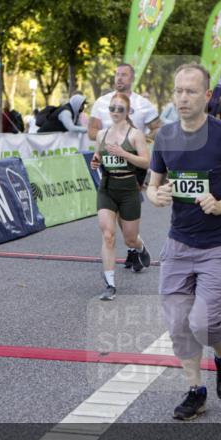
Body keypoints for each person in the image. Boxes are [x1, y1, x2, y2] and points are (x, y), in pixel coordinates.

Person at [146, 63, 221, 420]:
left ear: (208, 96)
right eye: (178, 91)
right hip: (178, 245)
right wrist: (156, 195)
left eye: (191, 91)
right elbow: (152, 185)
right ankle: (196, 390)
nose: (183, 98)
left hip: (218, 245)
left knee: (202, 322)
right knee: (178, 326)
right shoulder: (165, 136)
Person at [89, 92, 151, 300]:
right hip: (107, 187)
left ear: (128, 111)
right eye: (112, 108)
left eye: (120, 109)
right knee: (108, 234)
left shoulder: (135, 135)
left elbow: (146, 162)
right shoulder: (101, 134)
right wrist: (96, 161)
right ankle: (110, 284)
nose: (115, 112)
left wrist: (123, 153)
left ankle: (139, 247)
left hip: (128, 188)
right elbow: (98, 156)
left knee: (130, 238)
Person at [87, 63, 160, 141]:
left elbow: (159, 128)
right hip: (107, 148)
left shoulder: (143, 103)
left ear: (132, 79)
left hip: (135, 149)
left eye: (124, 75)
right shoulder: (101, 101)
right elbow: (91, 131)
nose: (119, 78)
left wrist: (143, 139)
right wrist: (109, 137)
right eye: (117, 75)